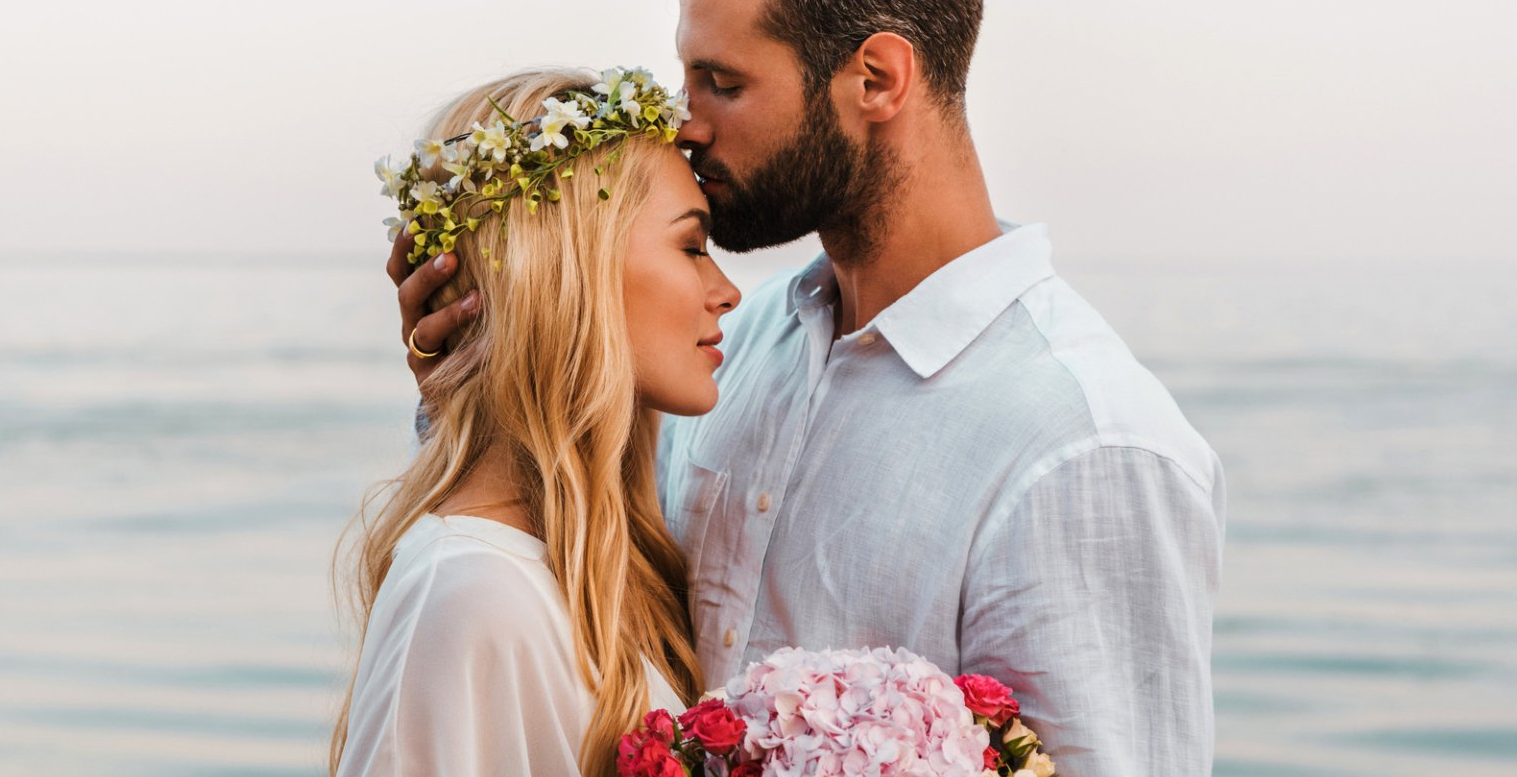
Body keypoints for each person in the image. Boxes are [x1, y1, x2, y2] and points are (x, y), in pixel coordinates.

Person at [389, 1, 1227, 775]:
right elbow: (553, 587)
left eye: (723, 83)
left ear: (876, 80)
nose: (684, 121)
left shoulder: (1083, 442)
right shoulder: (733, 352)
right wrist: (481, 377)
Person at [333, 68, 741, 776]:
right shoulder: (467, 590)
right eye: (691, 246)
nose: (727, 292)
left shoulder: (589, 568)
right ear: (567, 268)